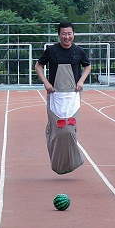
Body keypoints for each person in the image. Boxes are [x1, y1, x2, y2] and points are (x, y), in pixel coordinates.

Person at [35, 21, 91, 174]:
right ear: (59, 35)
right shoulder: (51, 51)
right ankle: (58, 163)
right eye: (64, 34)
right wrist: (46, 82)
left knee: (69, 130)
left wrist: (81, 81)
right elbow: (38, 66)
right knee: (57, 132)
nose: (67, 37)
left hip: (73, 96)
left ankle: (74, 160)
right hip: (55, 95)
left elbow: (87, 66)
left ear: (73, 34)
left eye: (69, 34)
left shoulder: (79, 51)